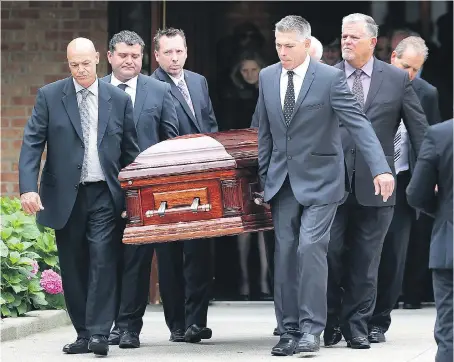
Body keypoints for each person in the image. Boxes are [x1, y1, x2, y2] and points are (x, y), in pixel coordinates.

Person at [256, 15, 394, 357]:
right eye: (278, 45)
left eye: (289, 46)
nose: (282, 52)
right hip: (282, 182)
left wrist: (380, 168)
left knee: (310, 249)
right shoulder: (267, 76)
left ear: (306, 44)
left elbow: (359, 125)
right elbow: (263, 132)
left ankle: (310, 331)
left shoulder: (330, 78)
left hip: (323, 182)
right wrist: (261, 180)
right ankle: (288, 330)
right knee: (285, 254)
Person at [19, 37, 140, 356]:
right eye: (74, 65)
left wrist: (134, 197)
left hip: (104, 193)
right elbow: (32, 143)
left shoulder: (118, 98)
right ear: (67, 63)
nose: (81, 70)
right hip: (64, 195)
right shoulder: (50, 96)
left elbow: (130, 152)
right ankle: (83, 333)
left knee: (102, 260)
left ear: (98, 59)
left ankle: (100, 332)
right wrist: (28, 187)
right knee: (73, 265)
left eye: (86, 63)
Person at [326, 13, 428, 349]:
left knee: (367, 259)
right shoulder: (326, 77)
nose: (346, 42)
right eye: (344, 36)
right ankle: (330, 319)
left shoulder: (396, 80)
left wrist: (433, 175)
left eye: (354, 37)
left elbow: (418, 131)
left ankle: (357, 325)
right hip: (331, 183)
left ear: (373, 42)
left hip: (378, 184)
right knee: (331, 254)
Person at [101, 30, 179, 349]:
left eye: (135, 56)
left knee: (137, 260)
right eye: (123, 55)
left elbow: (170, 140)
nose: (130, 61)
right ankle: (102, 324)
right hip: (102, 188)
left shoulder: (159, 90)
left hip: (144, 191)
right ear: (109, 57)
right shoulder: (96, 90)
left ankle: (129, 327)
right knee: (103, 258)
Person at [369, 36, 441, 342]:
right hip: (366, 178)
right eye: (405, 65)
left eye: (416, 69)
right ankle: (353, 316)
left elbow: (431, 139)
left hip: (402, 182)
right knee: (361, 252)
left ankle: (379, 321)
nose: (410, 73)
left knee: (394, 255)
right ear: (392, 57)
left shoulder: (426, 93)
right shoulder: (369, 81)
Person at [151, 27, 218, 343]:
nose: (174, 58)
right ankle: (177, 323)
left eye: (179, 51)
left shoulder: (199, 81)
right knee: (171, 254)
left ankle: (196, 321)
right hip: (167, 181)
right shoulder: (151, 86)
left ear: (186, 51)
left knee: (199, 252)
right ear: (157, 55)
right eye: (168, 52)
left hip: (202, 178)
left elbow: (210, 125)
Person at [406, 119, 453, 362]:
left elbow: (416, 194)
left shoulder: (441, 134)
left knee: (450, 333)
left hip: (450, 243)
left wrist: (443, 211)